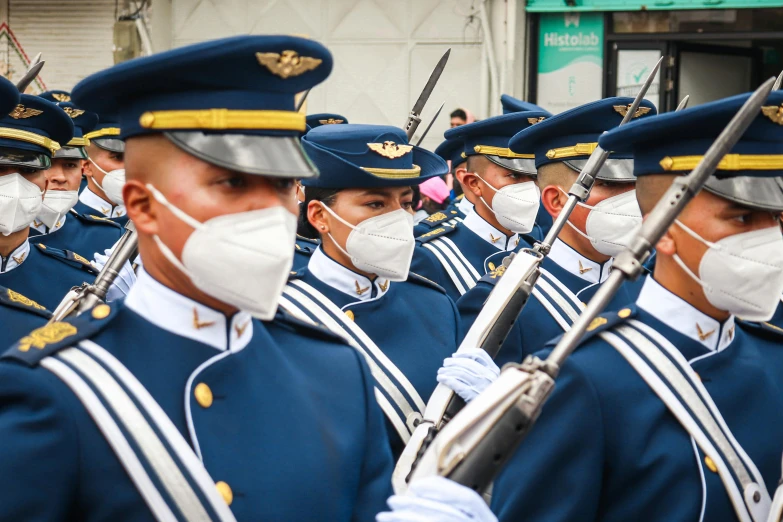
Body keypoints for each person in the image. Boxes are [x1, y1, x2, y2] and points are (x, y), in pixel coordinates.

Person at [0, 35, 491, 522]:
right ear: (143, 207)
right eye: (232, 182)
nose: (267, 209)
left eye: (281, 185)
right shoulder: (55, 388)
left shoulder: (337, 371)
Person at [491, 91, 783, 522]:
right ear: (662, 228)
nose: (768, 237)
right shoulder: (584, 380)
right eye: (742, 219)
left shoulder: (772, 357)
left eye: (777, 217)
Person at [282, 123, 470, 459]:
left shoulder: (435, 305)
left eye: (407, 203)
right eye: (375, 205)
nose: (399, 218)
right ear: (319, 216)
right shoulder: (280, 313)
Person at [457, 97, 656, 367]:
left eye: (635, 185)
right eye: (609, 184)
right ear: (555, 200)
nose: (629, 199)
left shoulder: (650, 286)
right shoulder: (502, 300)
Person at [409, 111, 549, 301]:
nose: (528, 187)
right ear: (473, 183)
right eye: (514, 176)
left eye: (534, 177)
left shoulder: (534, 250)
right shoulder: (431, 256)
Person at [0, 93, 99, 310]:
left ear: (44, 187)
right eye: (0, 169)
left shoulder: (76, 282)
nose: (14, 184)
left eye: (28, 170)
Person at [29, 101, 123, 254]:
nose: (60, 177)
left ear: (83, 168)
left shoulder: (108, 237)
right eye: (47, 164)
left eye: (70, 165)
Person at [74, 112, 128, 224]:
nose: (129, 166)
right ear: (86, 166)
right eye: (118, 157)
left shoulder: (148, 218)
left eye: (133, 157)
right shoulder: (64, 218)